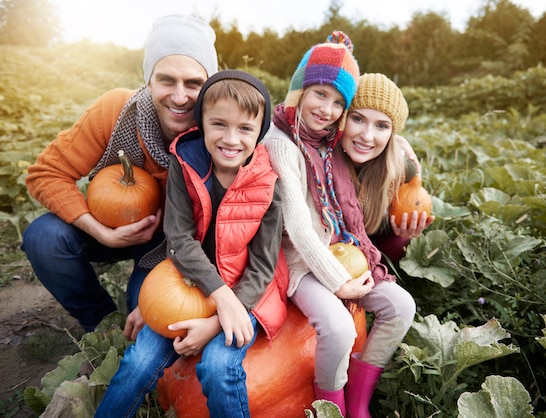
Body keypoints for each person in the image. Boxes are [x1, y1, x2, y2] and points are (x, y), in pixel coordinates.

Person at [95, 69, 288, 418]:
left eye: (245, 128)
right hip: (191, 283)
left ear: (259, 132)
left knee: (218, 367)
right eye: (219, 124)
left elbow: (264, 265)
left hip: (248, 291)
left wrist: (219, 318)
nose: (231, 139)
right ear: (201, 124)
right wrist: (197, 297)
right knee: (138, 362)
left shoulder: (269, 184)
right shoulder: (184, 167)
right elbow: (179, 241)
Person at [20, 14, 218, 338]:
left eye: (193, 83)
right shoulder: (116, 110)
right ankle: (98, 324)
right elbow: (46, 173)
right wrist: (102, 233)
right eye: (167, 80)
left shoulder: (219, 132)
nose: (180, 96)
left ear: (209, 85)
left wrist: (159, 298)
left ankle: (134, 313)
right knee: (45, 237)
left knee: (152, 323)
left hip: (175, 246)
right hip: (112, 224)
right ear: (149, 80)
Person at [262, 31, 416, 418]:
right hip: (301, 264)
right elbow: (296, 224)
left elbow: (380, 138)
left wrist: (406, 154)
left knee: (401, 306)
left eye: (338, 102)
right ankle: (331, 407)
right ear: (299, 90)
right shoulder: (282, 142)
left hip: (339, 250)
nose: (327, 109)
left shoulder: (327, 139)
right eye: (319, 94)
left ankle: (360, 401)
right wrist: (338, 283)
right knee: (339, 327)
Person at [339, 73, 435, 264]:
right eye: (358, 119)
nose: (367, 136)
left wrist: (402, 228)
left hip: (372, 242)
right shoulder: (323, 158)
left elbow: (406, 208)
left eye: (381, 126)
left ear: (392, 133)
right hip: (332, 247)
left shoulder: (402, 169)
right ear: (342, 119)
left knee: (399, 242)